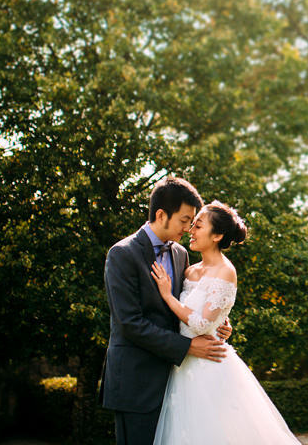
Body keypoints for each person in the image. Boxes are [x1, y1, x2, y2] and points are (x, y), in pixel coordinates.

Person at [151, 200, 302, 444]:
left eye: (198, 226)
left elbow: (200, 324)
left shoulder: (226, 270)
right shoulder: (189, 270)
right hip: (182, 365)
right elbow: (207, 308)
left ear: (217, 235)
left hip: (210, 366)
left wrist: (167, 295)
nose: (191, 230)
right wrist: (223, 321)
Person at [100, 177, 234, 445]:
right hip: (136, 383)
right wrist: (187, 347)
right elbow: (129, 323)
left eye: (194, 222)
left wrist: (218, 322)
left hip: (176, 382)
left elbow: (189, 304)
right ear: (161, 215)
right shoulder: (122, 254)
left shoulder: (181, 254)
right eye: (185, 220)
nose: (189, 228)